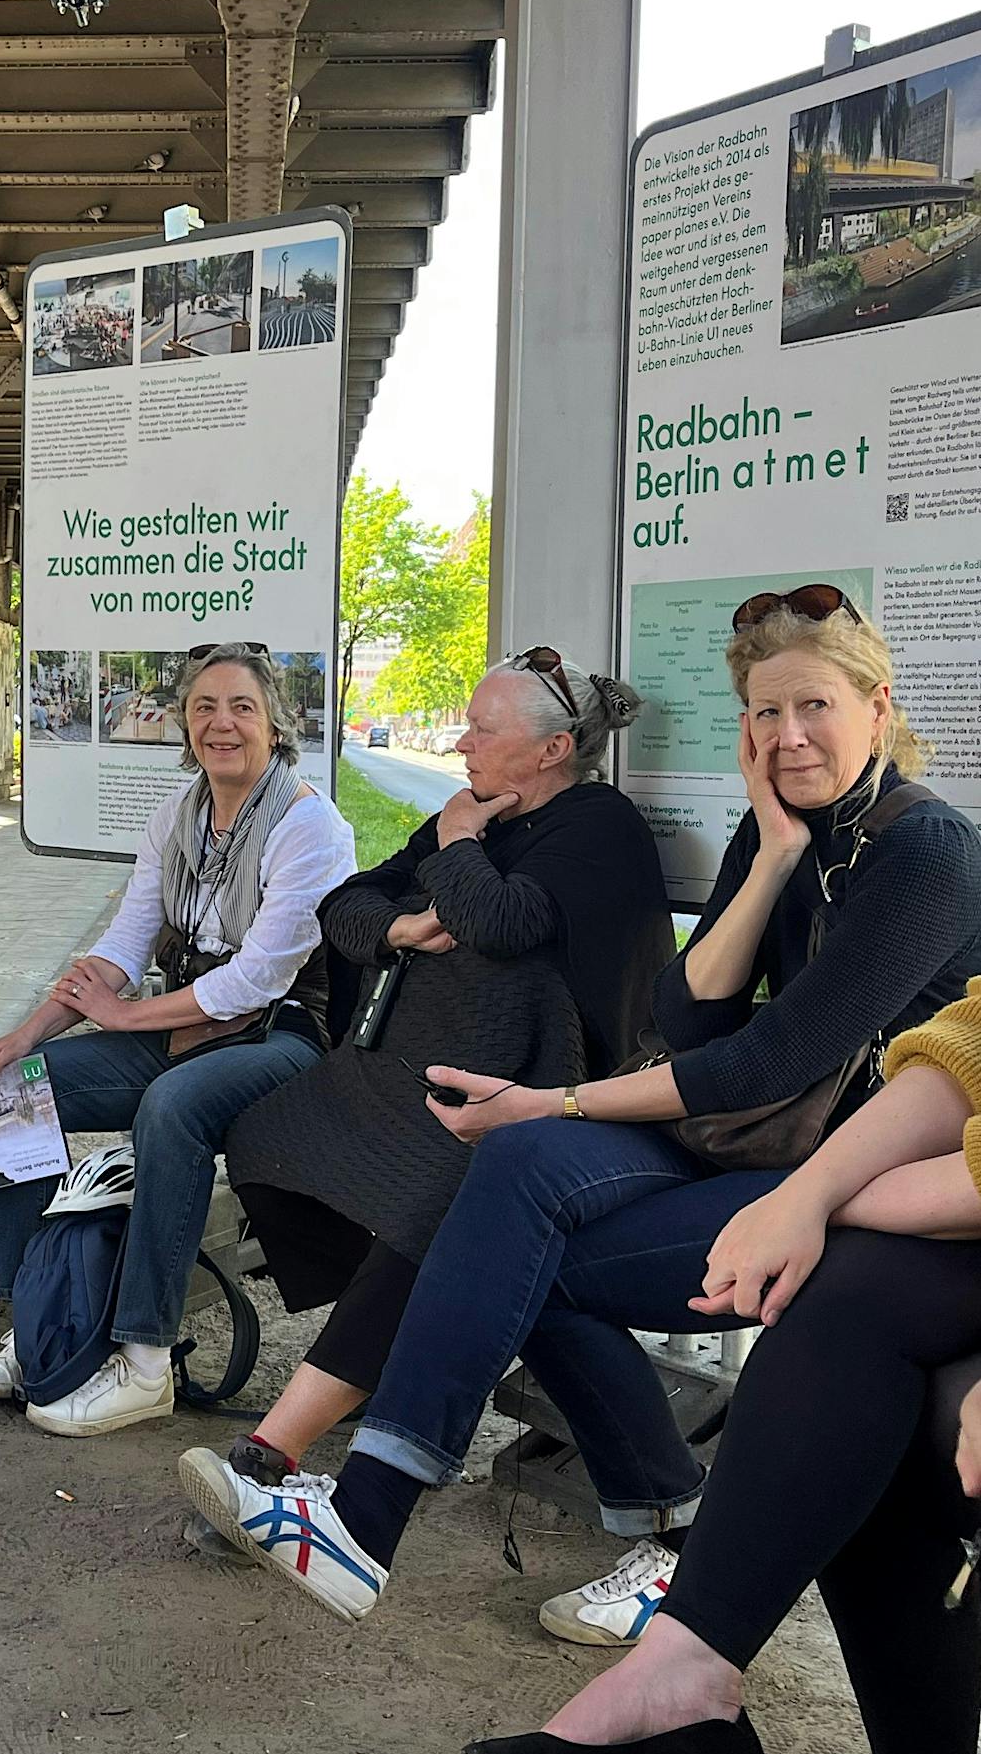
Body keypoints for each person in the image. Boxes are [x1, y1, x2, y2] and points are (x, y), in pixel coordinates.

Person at [181, 586, 981, 1636]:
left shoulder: (927, 850)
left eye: (813, 707)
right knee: (511, 1184)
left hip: (870, 1186)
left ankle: (634, 1539)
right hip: (748, 1141)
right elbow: (687, 1017)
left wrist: (549, 1099)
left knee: (519, 1235)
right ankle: (389, 1519)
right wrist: (773, 859)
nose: (787, 736)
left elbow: (767, 1058)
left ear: (875, 707)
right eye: (765, 712)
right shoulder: (781, 828)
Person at [466, 976, 981, 1754]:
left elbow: (770, 1057)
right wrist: (806, 1197)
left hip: (788, 1145)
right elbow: (967, 1045)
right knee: (851, 1330)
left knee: (879, 1395)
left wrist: (815, 1201)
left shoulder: (922, 889)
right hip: (796, 1156)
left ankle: (370, 1499)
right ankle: (685, 1670)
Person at [220, 651, 672, 1484]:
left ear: (553, 749)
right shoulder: (476, 812)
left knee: (428, 1212)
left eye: (482, 729)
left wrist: (458, 841)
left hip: (555, 1087)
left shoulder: (598, 823)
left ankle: (274, 1450)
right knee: (267, 1135)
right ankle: (379, 1352)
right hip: (426, 1062)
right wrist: (400, 928)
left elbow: (498, 922)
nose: (462, 744)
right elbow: (347, 903)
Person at [0, 641, 355, 1436]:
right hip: (187, 1024)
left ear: (275, 724)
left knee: (173, 1108)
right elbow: (125, 942)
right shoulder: (178, 814)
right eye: (204, 707)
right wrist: (27, 1034)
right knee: (10, 1090)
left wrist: (121, 1016)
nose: (222, 723)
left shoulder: (310, 825)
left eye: (242, 707)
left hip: (282, 1032)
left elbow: (258, 979)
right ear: (184, 723)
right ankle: (36, 1325)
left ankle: (145, 1362)